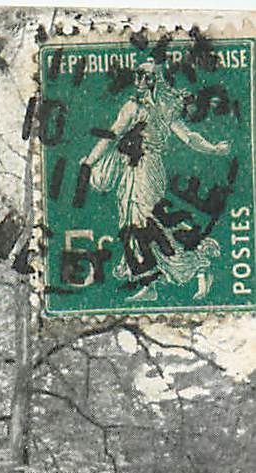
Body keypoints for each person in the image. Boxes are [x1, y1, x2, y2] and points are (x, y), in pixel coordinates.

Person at [83, 60, 232, 300]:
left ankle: (199, 267)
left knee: (150, 226)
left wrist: (213, 149)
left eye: (147, 76)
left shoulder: (164, 108)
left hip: (149, 170)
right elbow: (111, 136)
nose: (140, 81)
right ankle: (148, 282)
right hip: (131, 170)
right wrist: (89, 162)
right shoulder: (131, 107)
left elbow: (188, 137)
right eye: (138, 75)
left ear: (157, 80)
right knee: (132, 225)